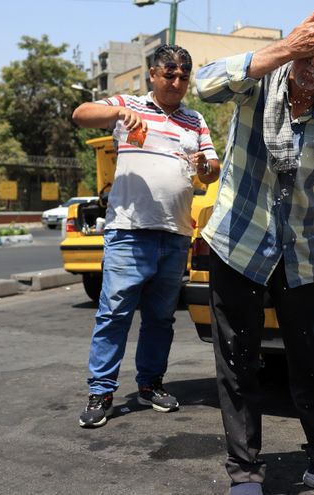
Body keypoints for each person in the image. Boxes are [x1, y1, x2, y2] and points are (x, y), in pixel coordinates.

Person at [195, 12, 314, 495]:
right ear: (295, 46)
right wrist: (283, 49)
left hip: (300, 251)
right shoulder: (259, 80)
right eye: (308, 50)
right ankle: (244, 471)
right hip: (239, 244)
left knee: (311, 361)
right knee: (239, 362)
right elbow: (204, 83)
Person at [72, 44, 221, 428]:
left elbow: (211, 172)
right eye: (169, 74)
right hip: (128, 232)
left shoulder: (195, 120)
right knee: (114, 314)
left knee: (160, 318)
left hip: (175, 234)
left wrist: (206, 164)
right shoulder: (129, 106)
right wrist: (117, 111)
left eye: (183, 76)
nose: (176, 82)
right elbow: (81, 114)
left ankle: (150, 384)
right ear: (152, 73)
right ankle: (101, 390)